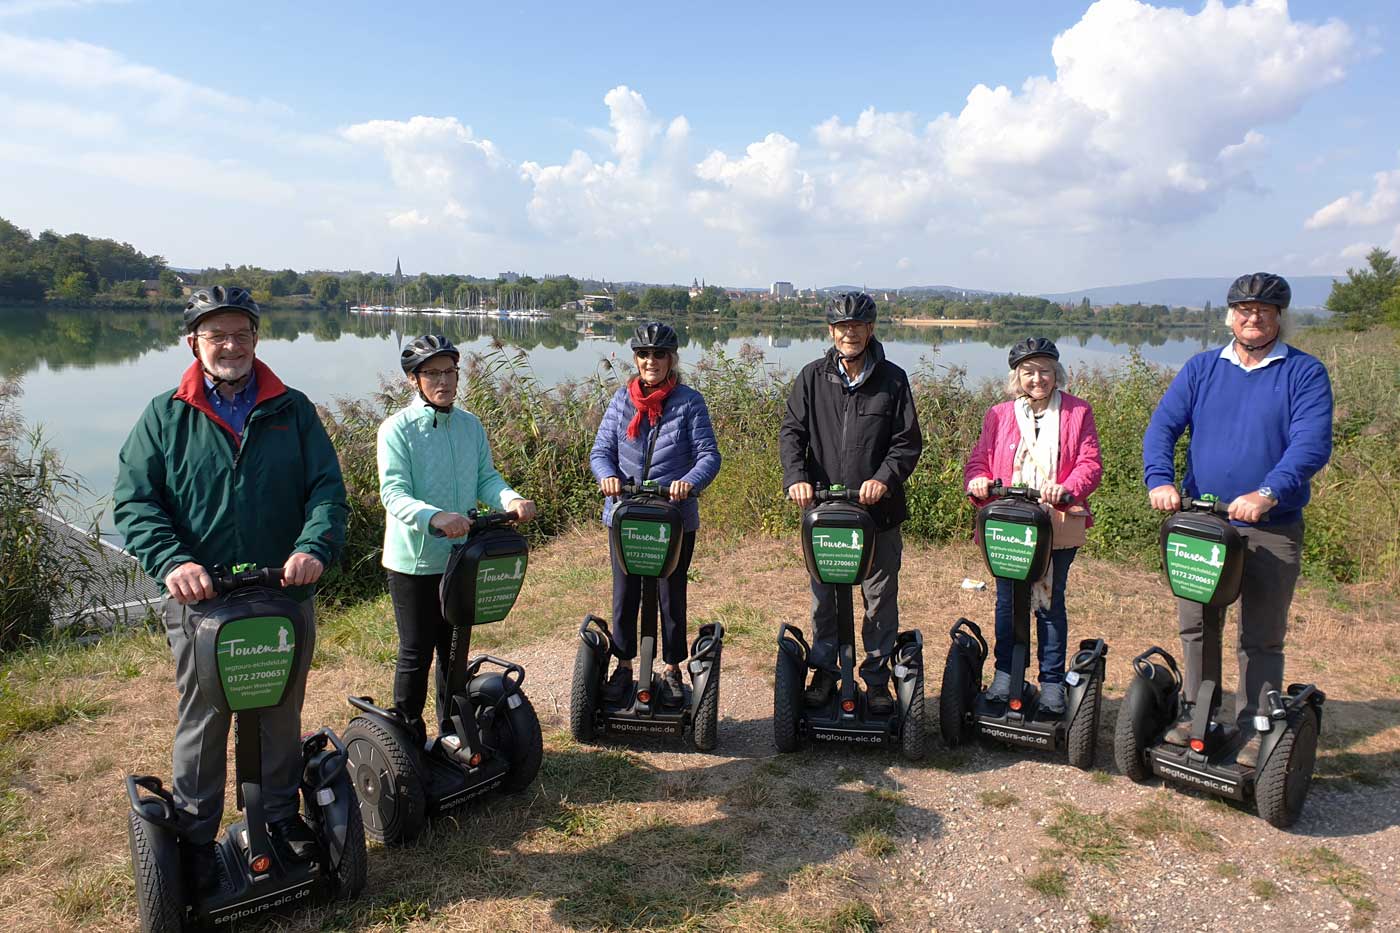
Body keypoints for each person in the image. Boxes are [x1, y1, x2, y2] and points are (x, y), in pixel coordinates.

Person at [113, 286, 347, 893]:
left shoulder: (292, 408)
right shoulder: (165, 415)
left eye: (241, 334)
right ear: (193, 342)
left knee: (277, 710)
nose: (230, 346)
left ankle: (278, 819)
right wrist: (172, 561)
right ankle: (194, 836)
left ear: (255, 340)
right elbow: (136, 502)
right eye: (216, 335)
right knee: (205, 718)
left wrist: (312, 548)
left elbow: (326, 491)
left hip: (281, 592)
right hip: (201, 600)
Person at [1143, 272, 1333, 767]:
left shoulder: (1303, 373)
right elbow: (1163, 426)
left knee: (1261, 634)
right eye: (1245, 310)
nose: (1253, 318)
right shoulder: (1203, 367)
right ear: (1230, 316)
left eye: (1264, 312)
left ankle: (1255, 726)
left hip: (1270, 524)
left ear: (1279, 319)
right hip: (1203, 522)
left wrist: (1268, 493)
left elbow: (1310, 445)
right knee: (1197, 625)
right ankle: (1197, 712)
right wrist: (1160, 480)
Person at [378, 334, 537, 741]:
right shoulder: (397, 430)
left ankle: (452, 733)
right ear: (414, 379)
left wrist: (512, 498)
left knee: (453, 653)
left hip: (462, 558)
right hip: (415, 562)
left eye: (450, 371)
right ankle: (408, 739)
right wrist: (434, 518)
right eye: (433, 373)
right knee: (416, 653)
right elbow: (393, 493)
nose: (444, 381)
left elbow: (486, 477)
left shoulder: (469, 425)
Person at [779, 292, 923, 714]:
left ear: (870, 330)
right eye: (842, 327)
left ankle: (876, 679)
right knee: (825, 597)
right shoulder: (812, 377)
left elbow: (906, 442)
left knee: (879, 597)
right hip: (824, 511)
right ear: (831, 331)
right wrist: (797, 479)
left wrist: (883, 480)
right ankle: (825, 672)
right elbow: (792, 433)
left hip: (878, 514)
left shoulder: (893, 380)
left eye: (857, 326)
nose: (849, 333)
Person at [963, 337, 1103, 714]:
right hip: (1010, 523)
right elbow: (981, 460)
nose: (1037, 378)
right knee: (1008, 601)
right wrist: (978, 481)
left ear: (1056, 373)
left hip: (1056, 523)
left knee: (1048, 603)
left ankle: (1052, 681)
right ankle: (1007, 674)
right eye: (1028, 371)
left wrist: (1067, 488)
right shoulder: (1000, 415)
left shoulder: (1077, 412)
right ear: (1017, 377)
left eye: (1044, 370)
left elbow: (1090, 464)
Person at [590, 322, 721, 706]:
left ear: (671, 359)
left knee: (670, 594)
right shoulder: (620, 401)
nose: (651, 361)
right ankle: (624, 664)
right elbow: (601, 452)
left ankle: (672, 668)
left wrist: (689, 482)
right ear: (636, 359)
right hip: (625, 514)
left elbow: (708, 456)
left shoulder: (689, 402)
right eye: (644, 354)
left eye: (659, 355)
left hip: (672, 517)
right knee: (625, 593)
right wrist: (608, 476)